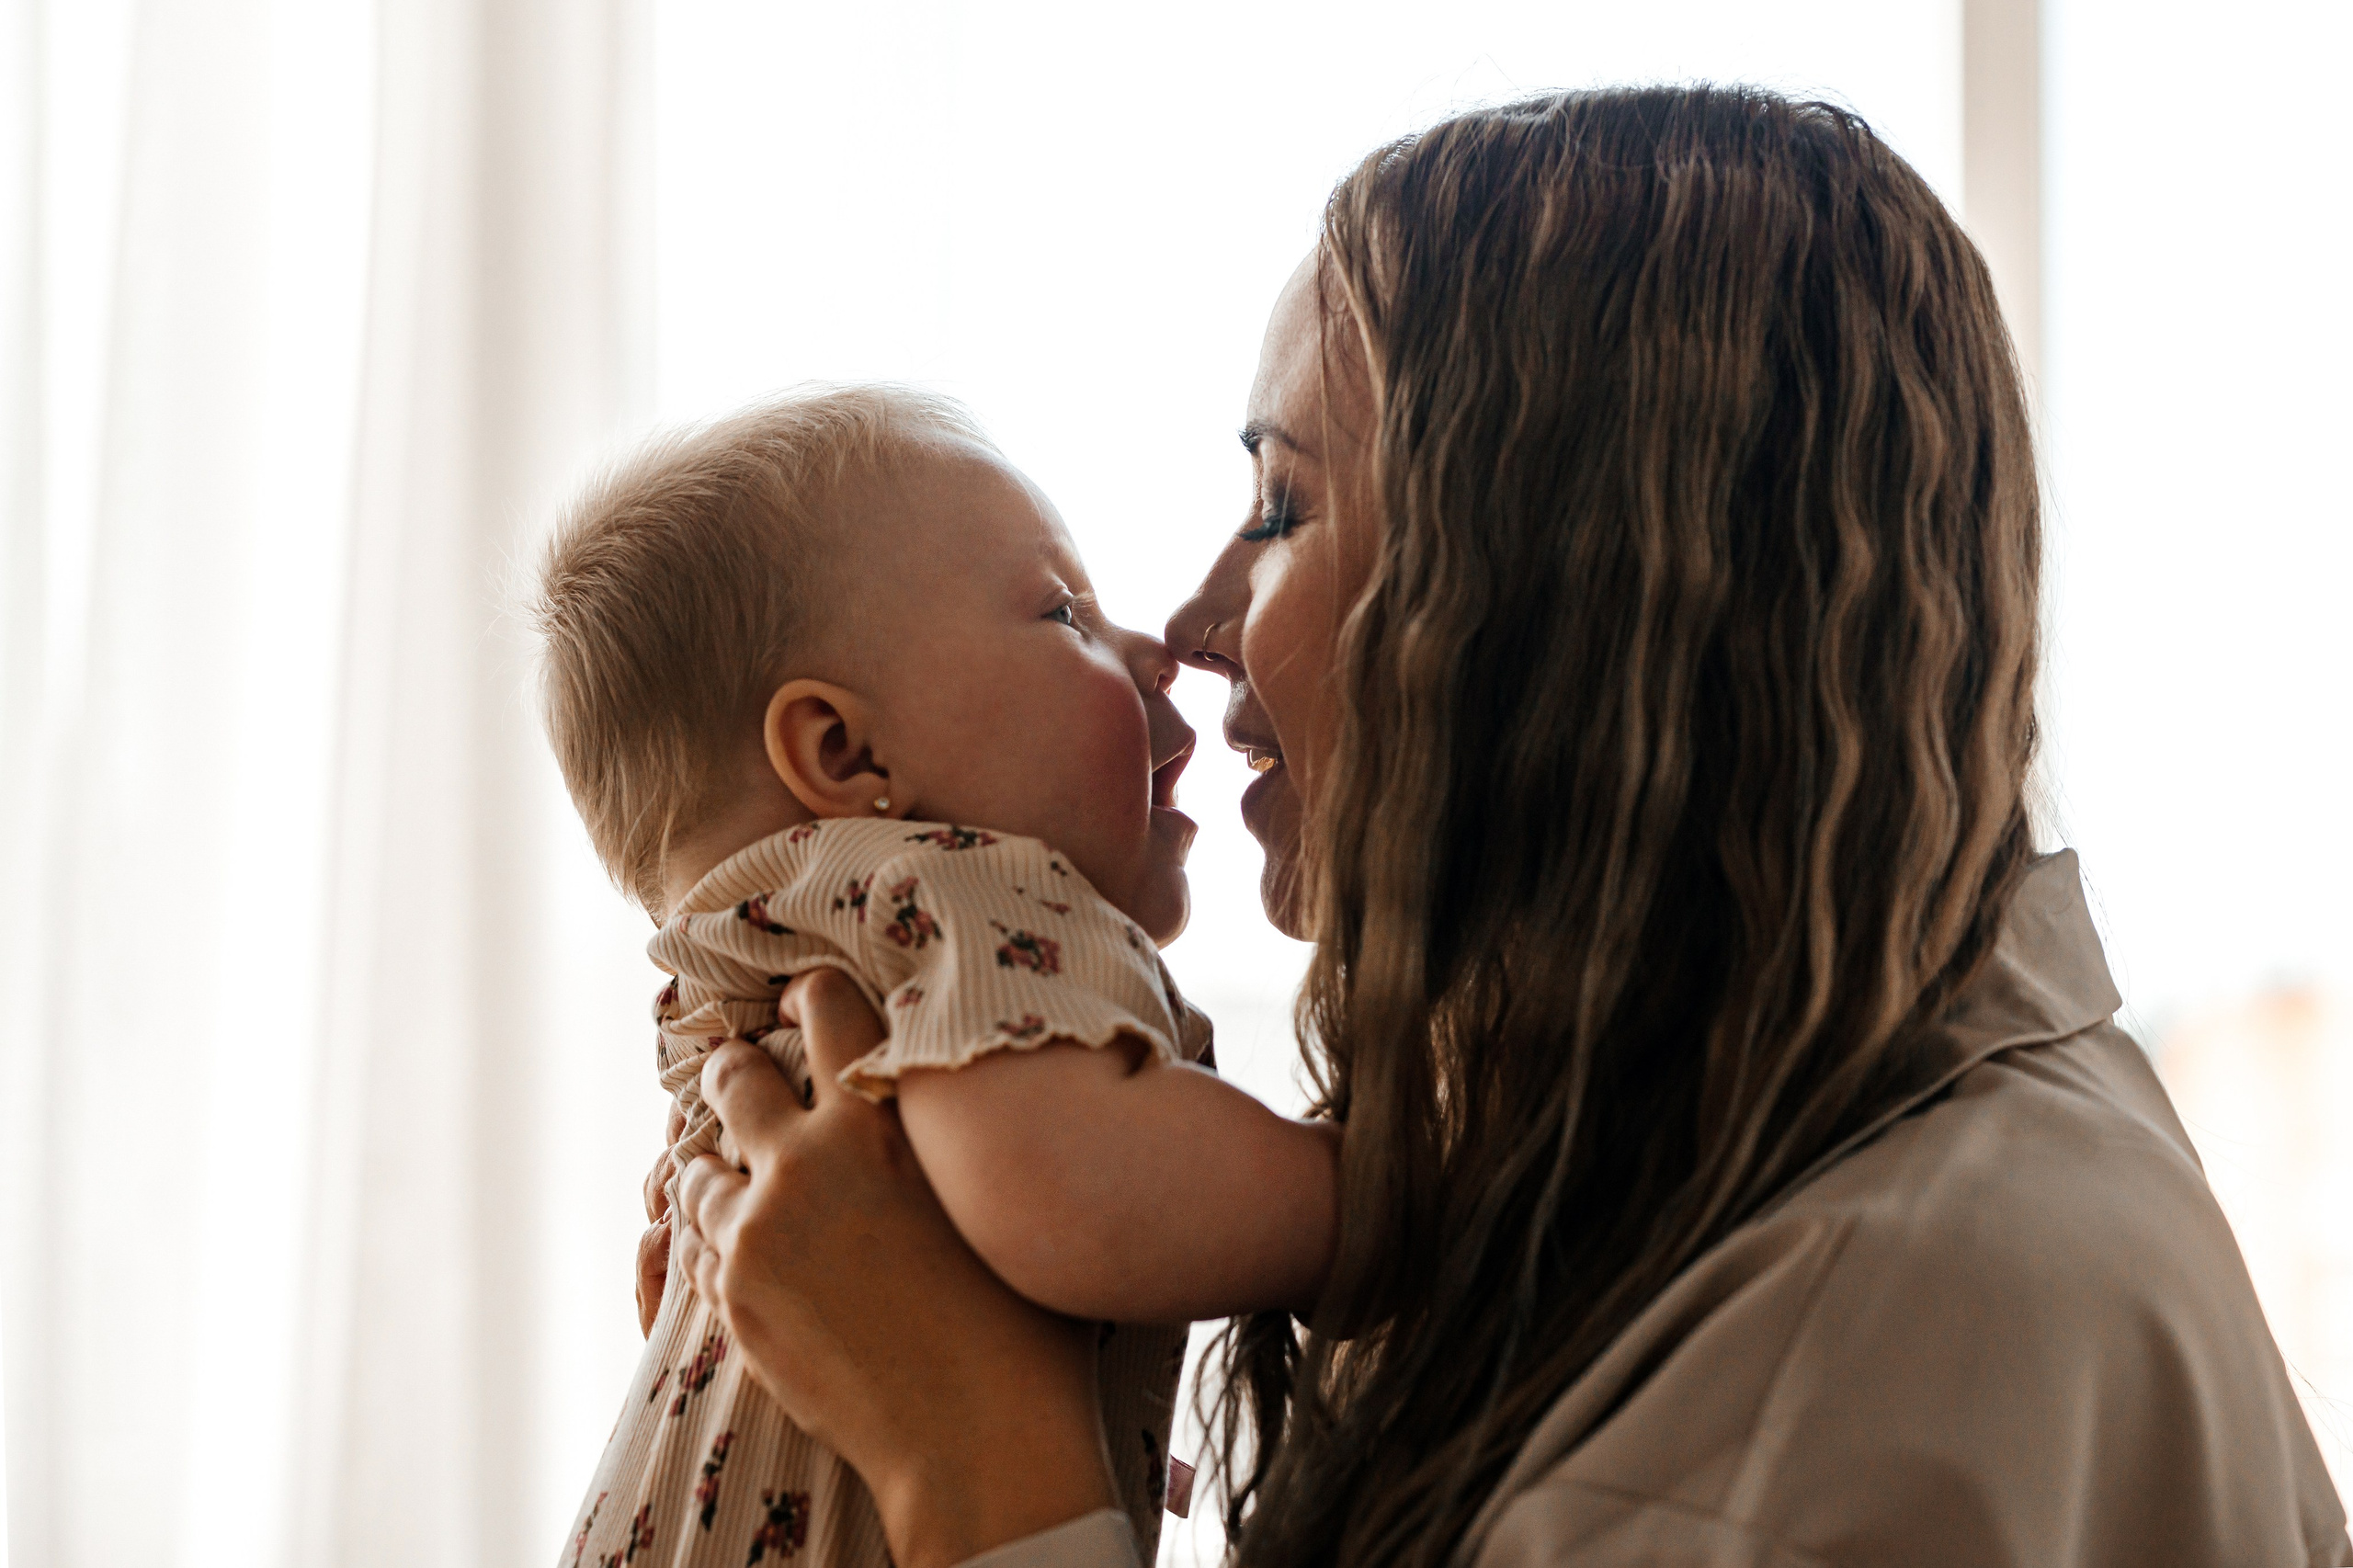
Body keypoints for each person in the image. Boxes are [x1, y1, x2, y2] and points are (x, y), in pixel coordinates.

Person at [657, 87, 2353, 1567]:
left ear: (1575, 588)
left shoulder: (1816, 1409)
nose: (1185, 624)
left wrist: (968, 1457)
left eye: (1282, 506)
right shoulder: (1681, 1154)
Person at [533, 388, 1340, 1565]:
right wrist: (1390, 1197)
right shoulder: (955, 888)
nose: (1156, 647)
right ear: (847, 755)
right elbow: (1079, 1193)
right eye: (1065, 613)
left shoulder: (763, 993)